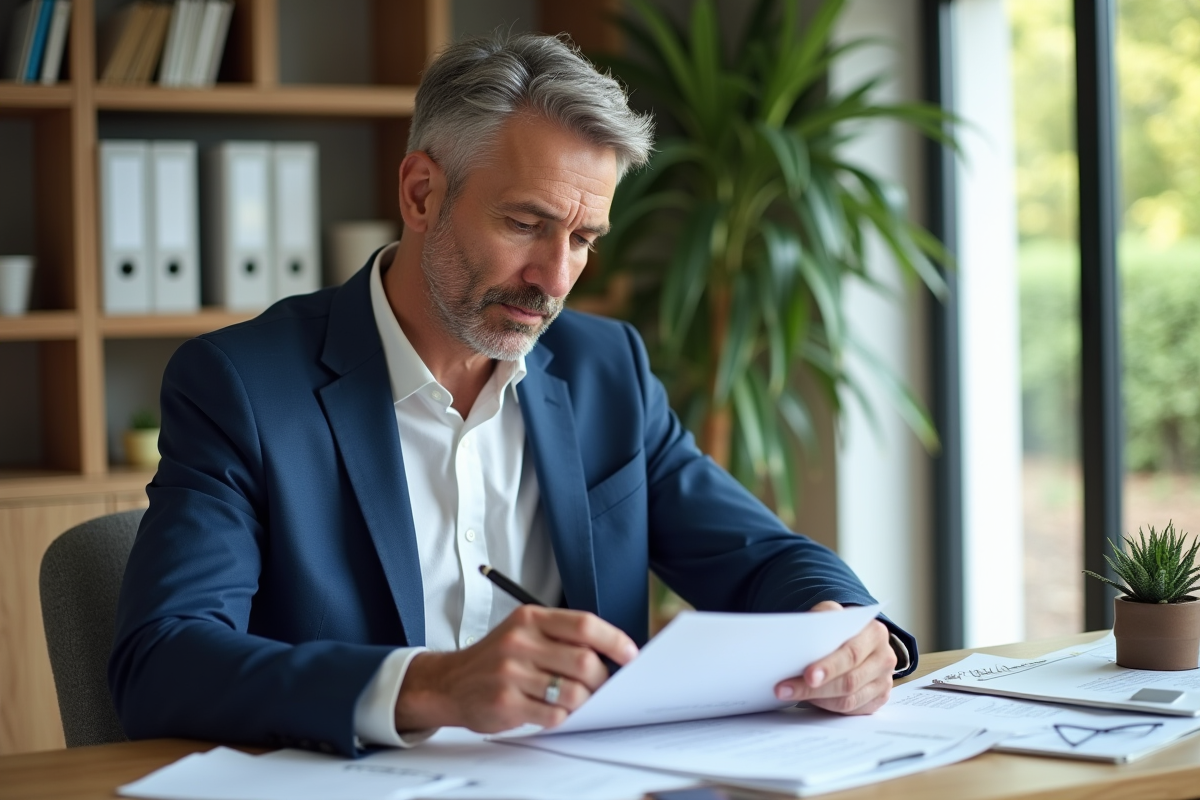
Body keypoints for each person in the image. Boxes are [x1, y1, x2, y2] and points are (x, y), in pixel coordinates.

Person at [109, 32, 915, 756]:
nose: (555, 279)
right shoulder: (244, 386)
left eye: (584, 239)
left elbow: (761, 558)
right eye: (526, 224)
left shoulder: (607, 369)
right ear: (422, 193)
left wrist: (845, 627)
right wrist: (431, 685)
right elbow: (162, 659)